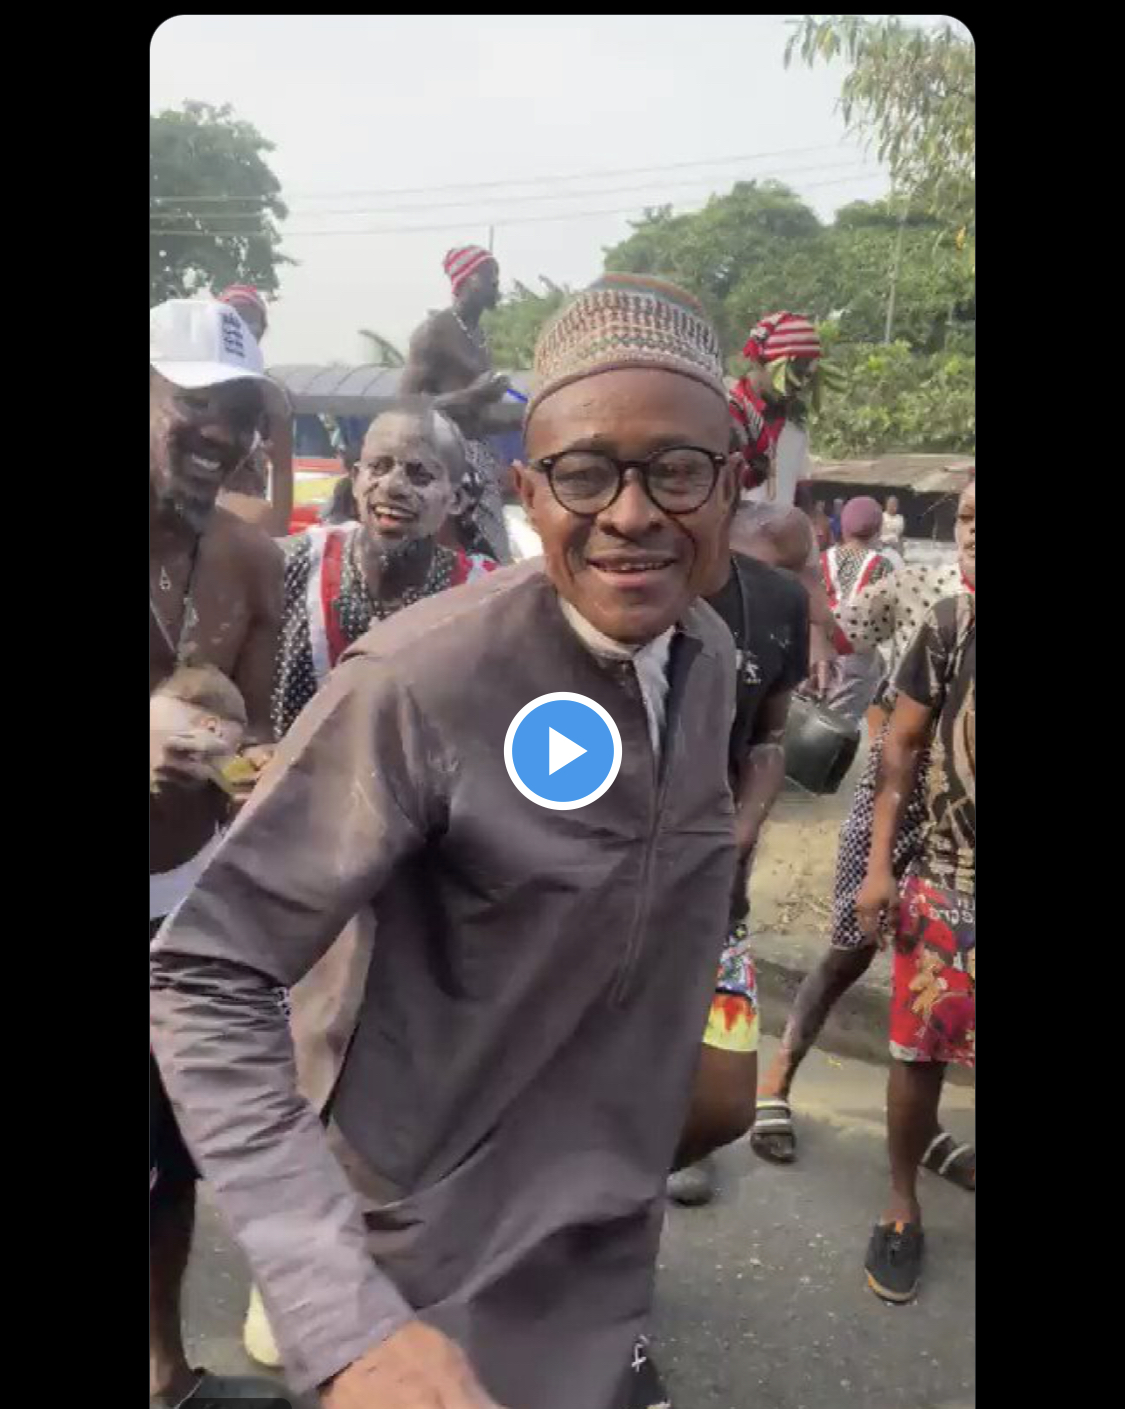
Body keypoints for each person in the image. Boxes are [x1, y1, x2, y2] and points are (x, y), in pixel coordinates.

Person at [151, 273, 743, 1409]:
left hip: (606, 1259)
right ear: (527, 490)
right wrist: (343, 1313)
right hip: (421, 1289)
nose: (631, 513)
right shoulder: (426, 680)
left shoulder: (707, 656)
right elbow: (204, 972)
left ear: (731, 482)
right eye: (584, 472)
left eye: (676, 469)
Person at [753, 482, 976, 1178]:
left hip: (962, 814)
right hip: (896, 786)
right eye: (967, 518)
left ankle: (923, 1126)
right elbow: (838, 629)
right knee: (852, 944)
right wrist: (799, 623)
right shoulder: (911, 582)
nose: (970, 532)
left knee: (939, 981)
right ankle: (776, 1078)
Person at [149, 298, 285, 1408]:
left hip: (185, 903)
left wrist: (263, 769)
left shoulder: (252, 557)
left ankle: (164, 1368)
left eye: (236, 414)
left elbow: (272, 725)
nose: (217, 433)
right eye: (194, 402)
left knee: (172, 1156)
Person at [666, 488, 810, 1207]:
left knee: (725, 1104)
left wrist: (743, 823)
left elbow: (771, 738)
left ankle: (659, 1150)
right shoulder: (630, 581)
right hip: (599, 890)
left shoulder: (778, 605)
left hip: (715, 893)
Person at [857, 571, 975, 1305]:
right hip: (947, 879)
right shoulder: (949, 625)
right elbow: (898, 748)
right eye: (966, 515)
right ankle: (900, 1202)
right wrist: (876, 866)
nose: (973, 530)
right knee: (916, 1051)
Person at [270, 401, 496, 740]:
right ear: (355, 478)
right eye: (378, 467)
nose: (392, 487)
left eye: (419, 474)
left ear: (457, 498)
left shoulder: (485, 595)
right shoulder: (289, 564)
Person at [401, 244, 523, 563]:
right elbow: (409, 407)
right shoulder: (433, 332)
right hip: (442, 460)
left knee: (492, 557)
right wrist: (473, 395)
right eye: (488, 275)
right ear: (467, 280)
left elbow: (473, 416)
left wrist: (518, 420)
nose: (497, 283)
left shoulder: (479, 335)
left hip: (478, 455)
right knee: (447, 556)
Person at [214, 284, 295, 536]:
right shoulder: (189, 383)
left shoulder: (269, 396)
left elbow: (282, 468)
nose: (242, 326)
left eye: (250, 318)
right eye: (233, 316)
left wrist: (279, 529)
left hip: (245, 517)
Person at [818, 496, 896, 725]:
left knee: (808, 718)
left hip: (818, 648)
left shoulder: (823, 558)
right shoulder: (882, 564)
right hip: (856, 655)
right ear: (877, 528)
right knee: (840, 724)